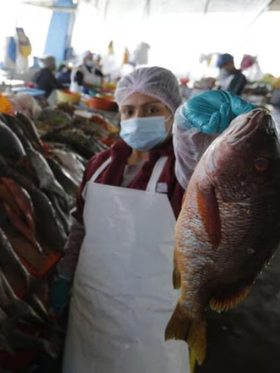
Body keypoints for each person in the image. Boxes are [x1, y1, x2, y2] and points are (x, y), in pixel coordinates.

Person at [54, 66, 190, 373]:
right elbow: (80, 226)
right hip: (92, 305)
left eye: (152, 109)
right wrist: (65, 275)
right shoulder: (100, 165)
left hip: (154, 316)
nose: (138, 118)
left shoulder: (183, 171)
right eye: (129, 110)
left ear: (173, 113)